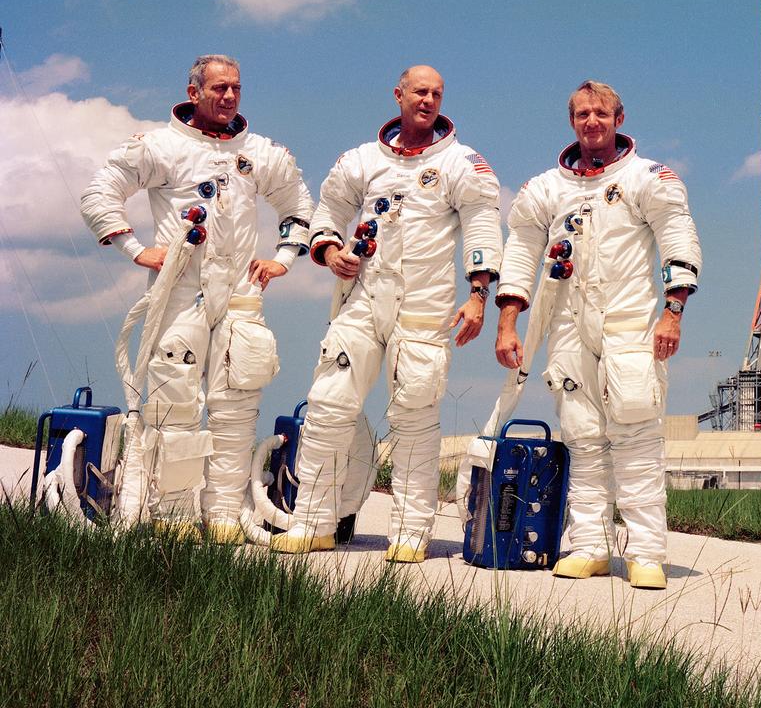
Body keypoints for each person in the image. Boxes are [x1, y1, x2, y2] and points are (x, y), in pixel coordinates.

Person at [271, 65, 501, 562]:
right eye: (420, 92)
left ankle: (410, 534)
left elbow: (483, 227)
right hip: (361, 297)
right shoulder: (360, 160)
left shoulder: (463, 163)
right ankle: (313, 522)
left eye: (437, 93)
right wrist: (331, 252)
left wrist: (479, 295)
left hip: (425, 302)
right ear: (399, 95)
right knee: (328, 405)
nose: (428, 100)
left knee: (415, 415)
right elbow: (328, 211)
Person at [81, 54, 313, 542]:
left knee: (235, 408)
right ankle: (174, 515)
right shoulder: (159, 146)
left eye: (236, 88)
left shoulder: (262, 153)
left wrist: (284, 259)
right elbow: (100, 192)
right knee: (175, 403)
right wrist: (136, 248)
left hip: (242, 292)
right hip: (181, 288)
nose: (228, 97)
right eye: (218, 88)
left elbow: (297, 205)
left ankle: (225, 515)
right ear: (194, 92)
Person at [495, 81, 701, 589]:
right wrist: (508, 321)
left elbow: (678, 237)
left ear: (619, 118)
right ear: (572, 122)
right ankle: (588, 544)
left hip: (628, 320)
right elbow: (520, 251)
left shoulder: (648, 177)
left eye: (601, 114)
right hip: (567, 322)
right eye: (583, 114)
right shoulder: (545, 188)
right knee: (583, 437)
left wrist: (673, 312)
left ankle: (647, 552)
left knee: (635, 434)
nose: (593, 122)